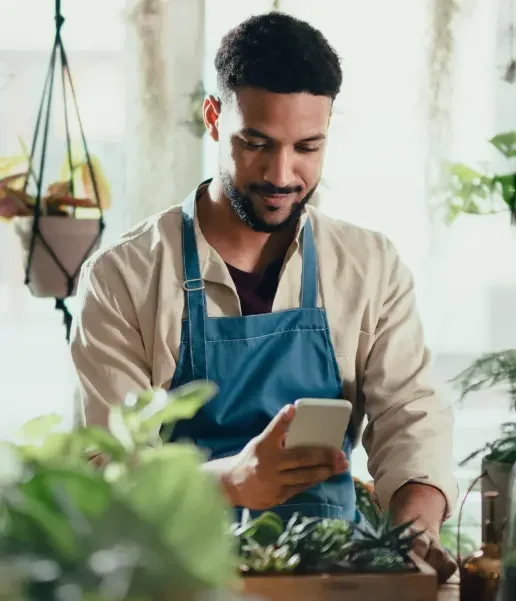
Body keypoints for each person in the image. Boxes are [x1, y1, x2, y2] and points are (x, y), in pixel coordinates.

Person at [70, 12, 457, 582]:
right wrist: (231, 480)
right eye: (256, 143)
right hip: (173, 578)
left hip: (332, 578)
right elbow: (104, 468)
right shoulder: (123, 275)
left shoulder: (369, 266)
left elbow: (412, 418)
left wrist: (411, 539)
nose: (282, 173)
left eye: (307, 146)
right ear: (212, 118)